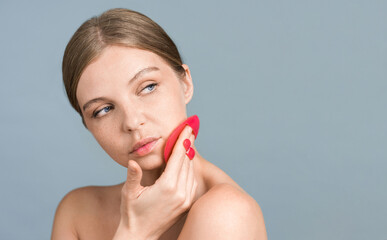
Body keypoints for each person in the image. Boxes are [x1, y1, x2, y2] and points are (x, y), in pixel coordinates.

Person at [51, 8, 267, 240]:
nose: (132, 122)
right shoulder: (77, 212)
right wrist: (136, 231)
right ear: (87, 125)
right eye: (103, 110)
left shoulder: (227, 214)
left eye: (148, 87)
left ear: (185, 83)